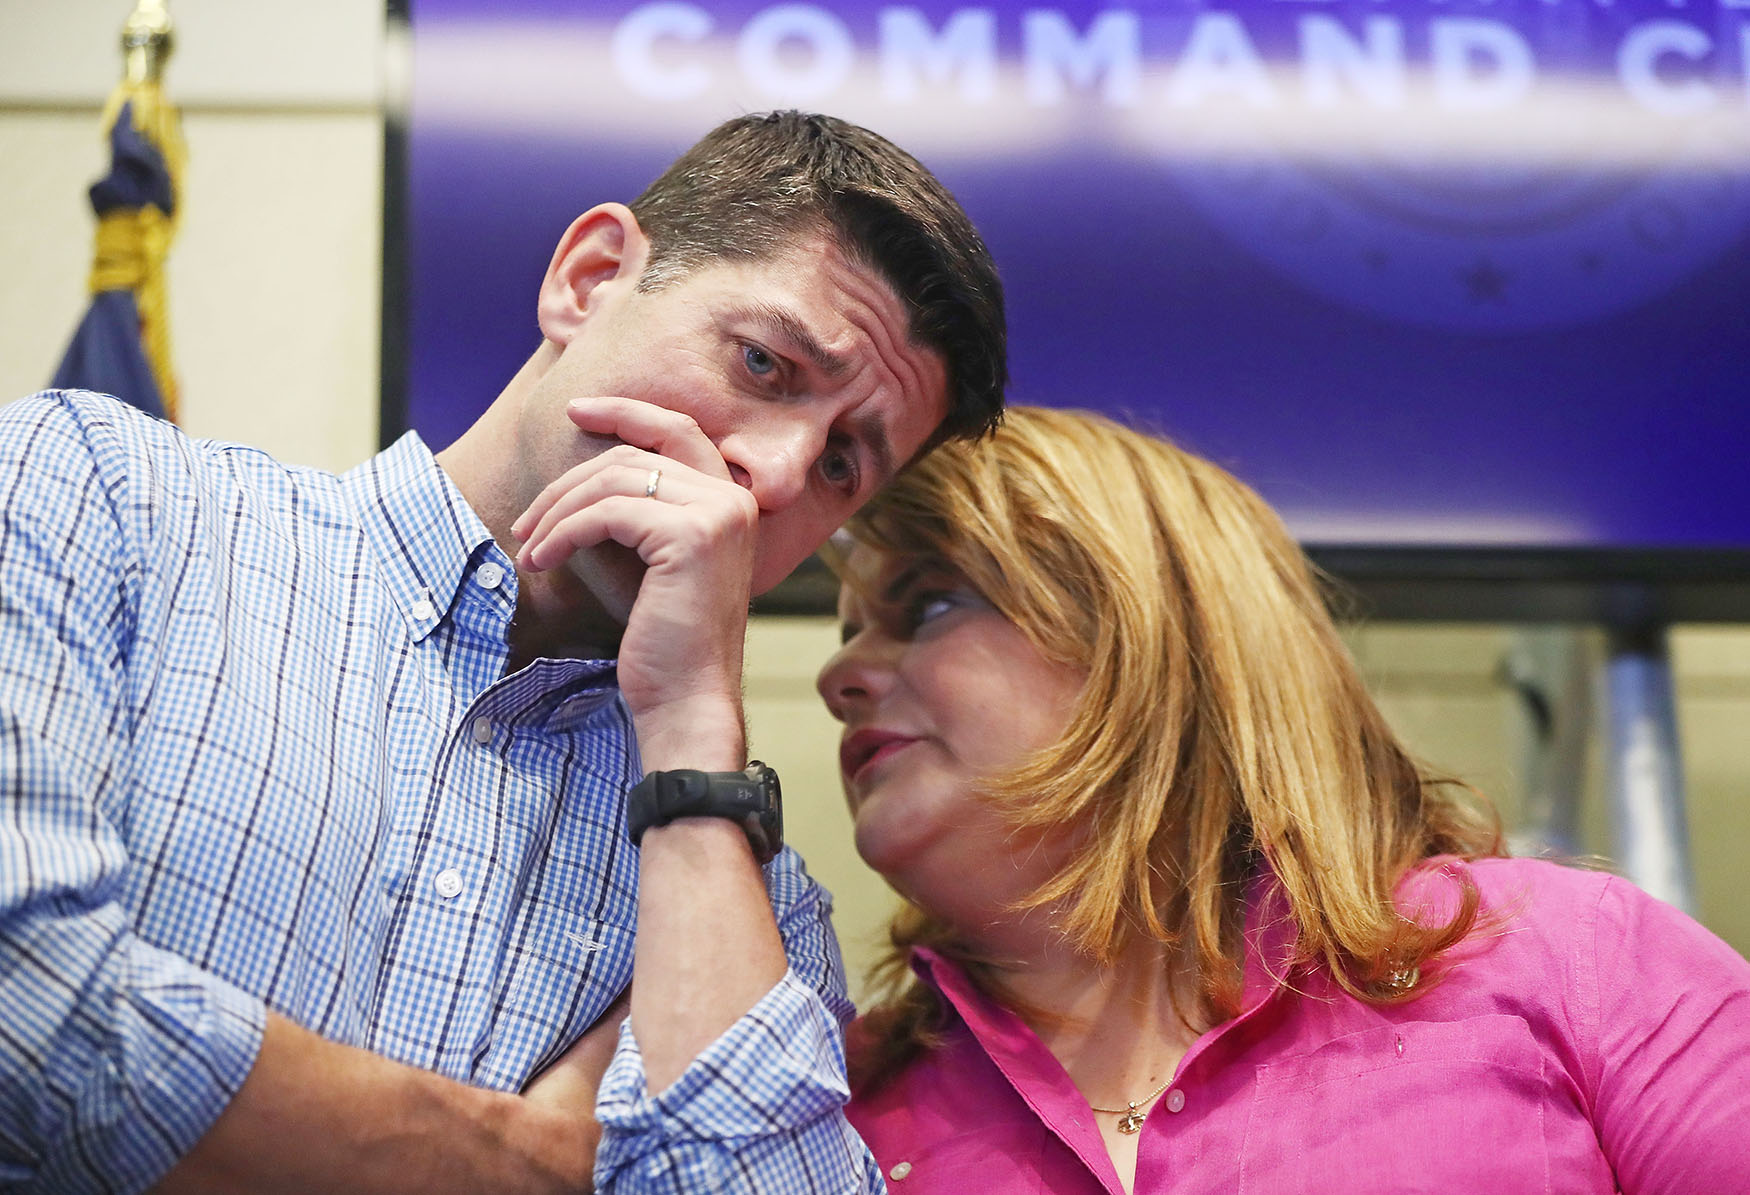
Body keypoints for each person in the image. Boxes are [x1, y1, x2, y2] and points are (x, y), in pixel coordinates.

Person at [0, 110, 1004, 1193]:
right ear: (589, 277)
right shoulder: (104, 497)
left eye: (845, 467)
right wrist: (532, 1158)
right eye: (764, 363)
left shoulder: (744, 901)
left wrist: (691, 730)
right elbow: (28, 1005)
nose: (773, 474)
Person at [814, 406, 1750, 1194]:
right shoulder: (824, 1113)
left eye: (930, 603)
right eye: (848, 631)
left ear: (1158, 634)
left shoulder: (1564, 958)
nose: (838, 675)